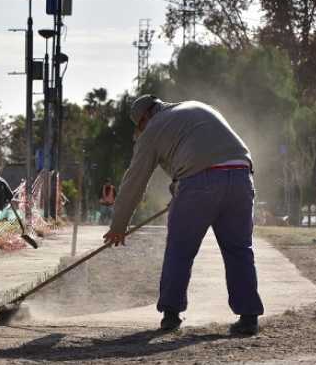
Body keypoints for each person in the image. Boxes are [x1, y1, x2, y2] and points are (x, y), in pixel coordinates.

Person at [105, 95, 264, 335]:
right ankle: (248, 316)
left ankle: (171, 314)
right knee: (239, 249)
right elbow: (199, 152)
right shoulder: (199, 107)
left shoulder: (152, 129)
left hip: (200, 183)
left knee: (180, 249)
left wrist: (119, 224)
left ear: (144, 119)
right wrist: (181, 188)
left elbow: (134, 180)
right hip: (242, 176)